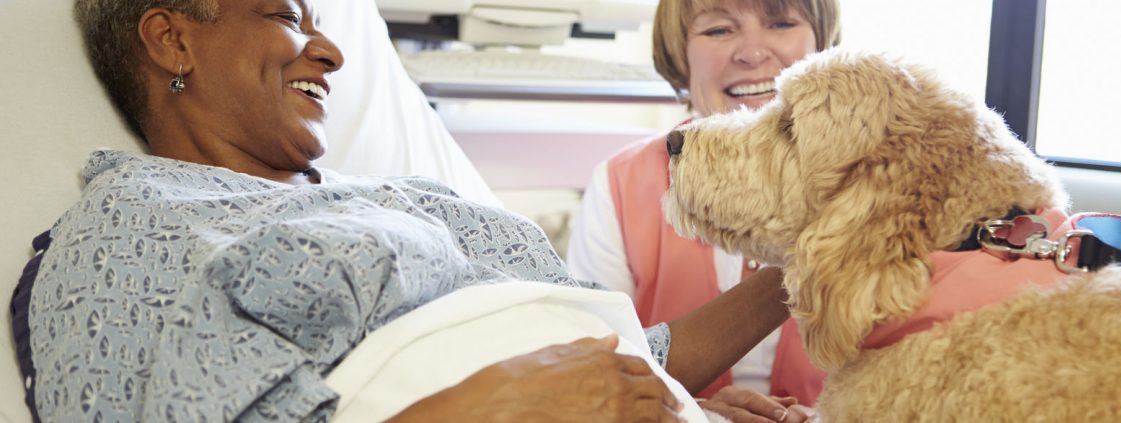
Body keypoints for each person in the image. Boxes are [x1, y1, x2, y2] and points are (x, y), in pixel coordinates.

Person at [14, 0, 817, 421]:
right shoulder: (135, 221)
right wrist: (493, 407)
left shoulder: (407, 195)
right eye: (287, 16)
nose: (329, 52)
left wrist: (679, 397)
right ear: (170, 40)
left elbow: (617, 354)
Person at [566, 0, 842, 415]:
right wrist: (695, 413)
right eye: (718, 30)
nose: (752, 51)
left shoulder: (873, 176)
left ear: (823, 41)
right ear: (680, 51)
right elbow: (592, 372)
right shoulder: (619, 183)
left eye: (781, 23)